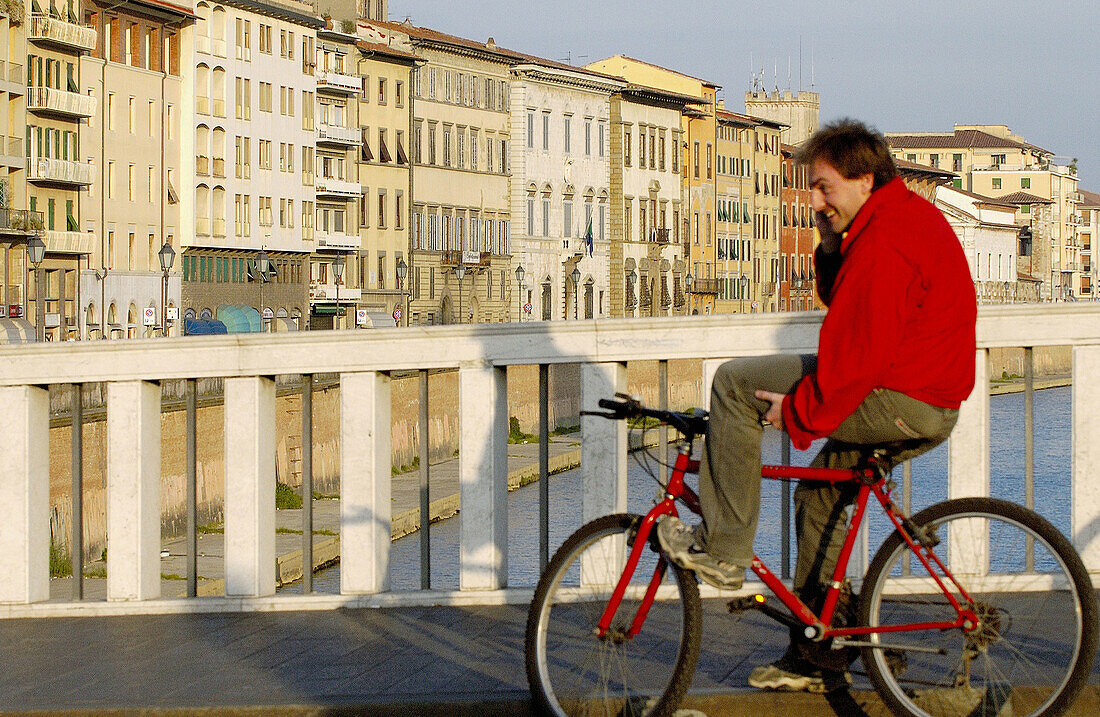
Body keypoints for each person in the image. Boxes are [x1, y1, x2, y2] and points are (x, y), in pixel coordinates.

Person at [657, 119, 977, 692]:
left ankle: (726, 550)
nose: (814, 200)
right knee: (820, 494)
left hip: (903, 394)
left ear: (864, 180)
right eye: (812, 186)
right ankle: (818, 648)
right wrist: (829, 242)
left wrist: (802, 411)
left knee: (734, 385)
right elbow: (845, 303)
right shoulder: (887, 221)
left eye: (825, 187)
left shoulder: (886, 242)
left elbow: (858, 353)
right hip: (917, 390)